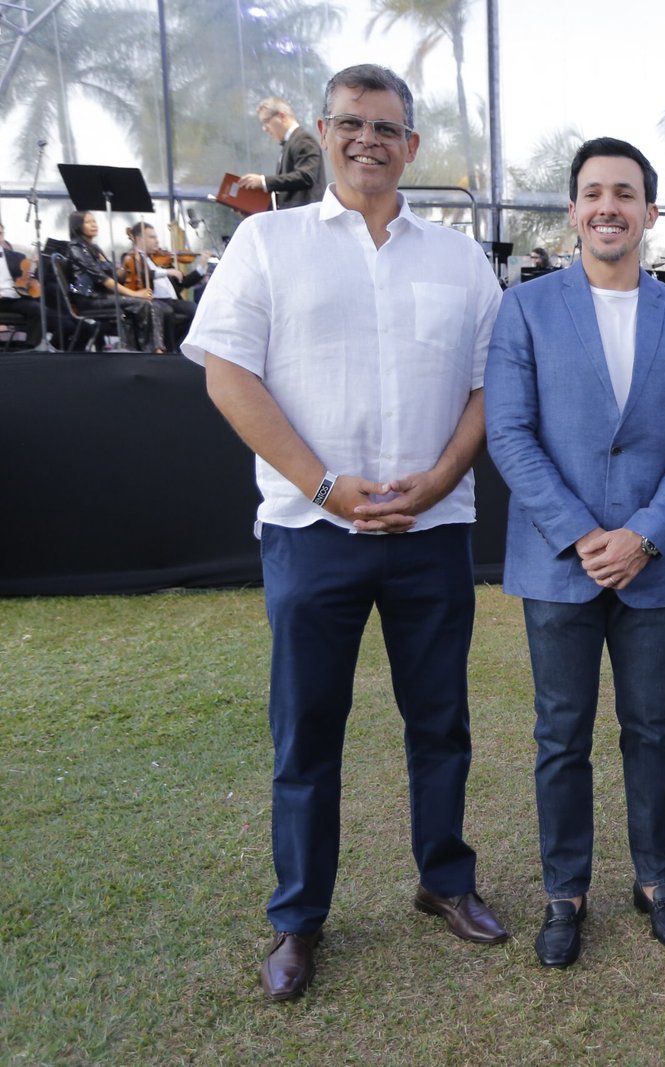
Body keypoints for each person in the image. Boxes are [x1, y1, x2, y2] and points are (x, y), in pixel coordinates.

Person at [184, 63, 508, 1003]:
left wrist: (439, 480)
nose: (369, 140)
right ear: (323, 133)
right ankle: (299, 917)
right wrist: (325, 488)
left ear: (412, 145)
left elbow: (491, 384)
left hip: (431, 530)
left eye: (387, 128)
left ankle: (444, 878)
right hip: (311, 533)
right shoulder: (267, 241)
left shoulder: (459, 260)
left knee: (440, 720)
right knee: (306, 730)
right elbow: (228, 374)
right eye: (352, 124)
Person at [485, 136, 665, 969]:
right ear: (574, 209)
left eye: (624, 193)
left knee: (651, 729)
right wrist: (586, 535)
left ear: (650, 212)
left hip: (652, 566)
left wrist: (644, 535)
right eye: (593, 193)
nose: (608, 207)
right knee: (561, 734)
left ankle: (656, 879)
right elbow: (509, 433)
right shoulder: (525, 308)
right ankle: (565, 891)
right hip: (560, 564)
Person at [65, 210, 169, 352]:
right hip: (90, 299)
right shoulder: (75, 248)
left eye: (94, 221)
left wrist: (129, 263)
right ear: (78, 226)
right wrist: (135, 294)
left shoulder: (95, 248)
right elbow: (103, 279)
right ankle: (151, 350)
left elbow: (115, 275)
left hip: (104, 296)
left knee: (154, 305)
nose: (94, 225)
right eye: (88, 222)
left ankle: (150, 348)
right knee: (142, 303)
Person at [122, 221, 200, 351]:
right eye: (152, 237)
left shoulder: (157, 259)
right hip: (154, 300)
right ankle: (169, 349)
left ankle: (180, 347)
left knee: (195, 310)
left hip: (171, 300)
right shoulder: (131, 257)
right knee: (167, 311)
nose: (157, 241)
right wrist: (167, 272)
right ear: (139, 239)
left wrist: (201, 268)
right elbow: (143, 273)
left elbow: (182, 282)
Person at [240, 96, 326, 210]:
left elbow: (306, 176)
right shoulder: (291, 143)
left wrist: (263, 181)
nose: (264, 128)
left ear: (282, 116)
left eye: (266, 121)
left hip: (306, 216)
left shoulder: (303, 140)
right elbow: (287, 191)